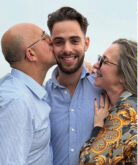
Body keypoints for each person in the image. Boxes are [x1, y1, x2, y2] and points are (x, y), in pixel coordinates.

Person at [45, 7, 102, 165]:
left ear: (86, 43)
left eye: (74, 41)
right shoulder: (42, 98)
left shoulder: (104, 89)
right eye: (59, 42)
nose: (67, 49)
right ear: (51, 45)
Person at [0, 23, 56, 164]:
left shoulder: (32, 91)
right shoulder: (16, 101)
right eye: (44, 36)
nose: (52, 39)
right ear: (31, 54)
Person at [79, 39, 137, 164]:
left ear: (123, 75)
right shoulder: (130, 103)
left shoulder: (126, 113)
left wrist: (98, 127)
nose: (96, 65)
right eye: (99, 59)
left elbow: (89, 162)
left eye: (104, 61)